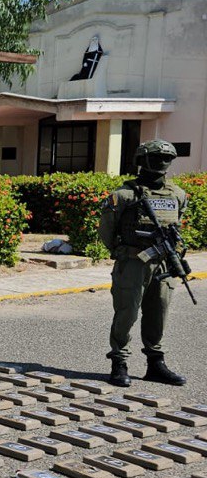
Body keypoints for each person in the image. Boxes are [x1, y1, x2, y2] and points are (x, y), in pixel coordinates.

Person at [98, 138, 188, 387]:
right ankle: (119, 362)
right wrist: (121, 251)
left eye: (167, 158)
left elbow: (176, 228)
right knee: (127, 312)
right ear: (142, 160)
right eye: (156, 157)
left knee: (159, 312)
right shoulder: (124, 195)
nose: (162, 162)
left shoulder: (178, 195)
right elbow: (106, 230)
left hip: (164, 263)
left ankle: (155, 363)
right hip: (133, 262)